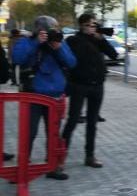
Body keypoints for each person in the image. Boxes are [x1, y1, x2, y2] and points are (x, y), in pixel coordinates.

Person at [13, 16, 76, 180]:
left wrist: (59, 47)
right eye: (47, 30)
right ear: (38, 30)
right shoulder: (27, 41)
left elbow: (72, 62)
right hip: (32, 95)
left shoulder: (59, 43)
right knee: (29, 132)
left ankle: (53, 166)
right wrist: (36, 43)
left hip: (54, 95)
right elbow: (17, 58)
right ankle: (23, 167)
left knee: (53, 133)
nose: (51, 33)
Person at [61, 13, 117, 169]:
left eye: (95, 25)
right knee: (72, 121)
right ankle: (60, 157)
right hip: (79, 85)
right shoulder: (73, 40)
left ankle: (90, 156)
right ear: (82, 25)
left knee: (92, 122)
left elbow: (113, 54)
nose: (93, 27)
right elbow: (70, 61)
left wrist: (102, 40)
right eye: (90, 25)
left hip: (97, 86)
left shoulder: (98, 40)